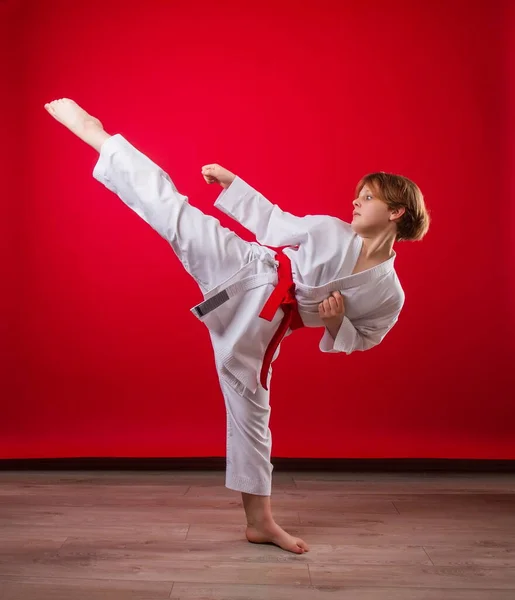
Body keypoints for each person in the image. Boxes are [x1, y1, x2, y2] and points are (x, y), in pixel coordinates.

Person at [44, 98, 430, 554]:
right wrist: (233, 186)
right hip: (253, 270)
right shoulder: (331, 230)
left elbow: (367, 339)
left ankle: (260, 523)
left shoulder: (389, 293)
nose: (355, 201)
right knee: (175, 214)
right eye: (358, 194)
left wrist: (338, 323)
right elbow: (275, 222)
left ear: (396, 212)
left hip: (265, 329)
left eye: (367, 197)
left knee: (252, 418)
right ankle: (98, 136)